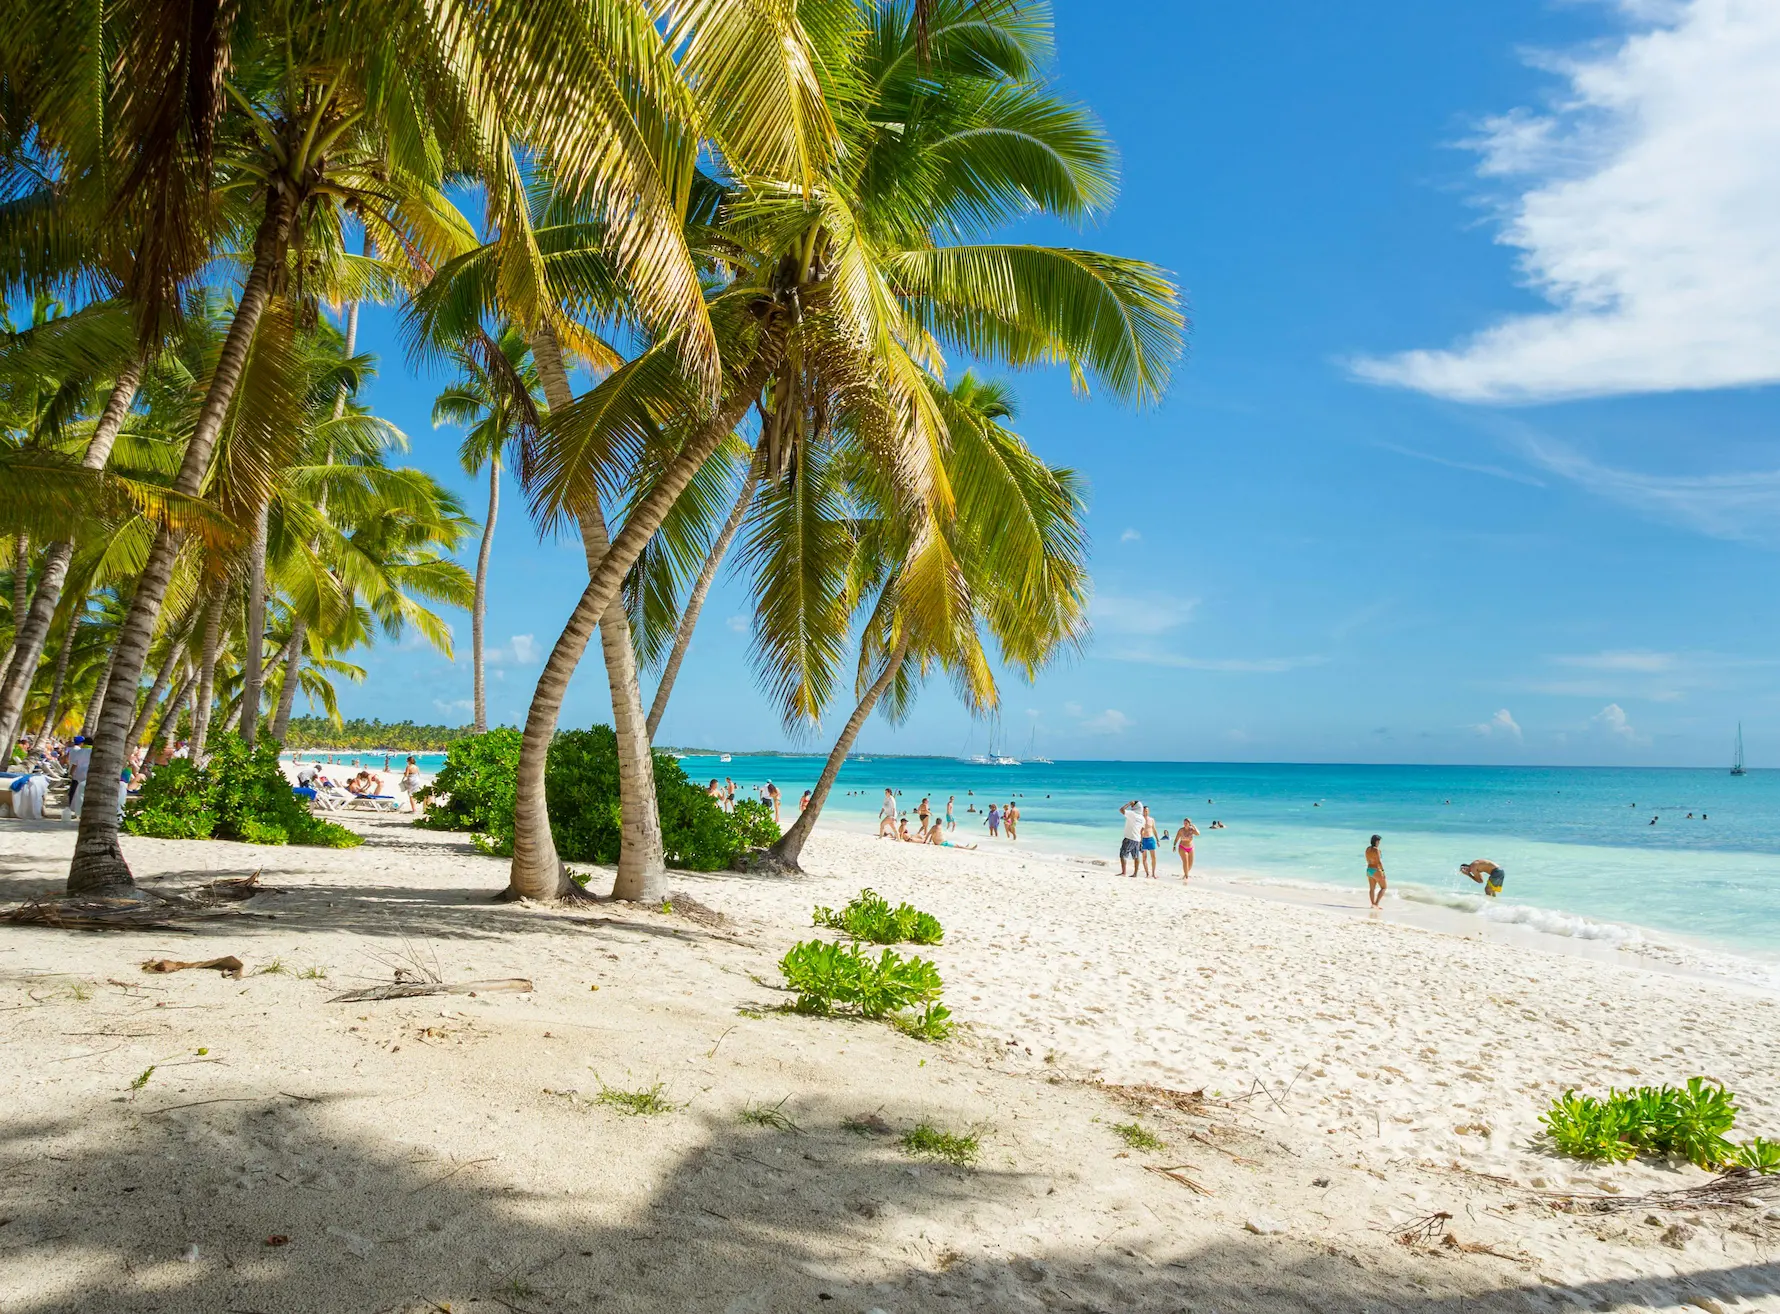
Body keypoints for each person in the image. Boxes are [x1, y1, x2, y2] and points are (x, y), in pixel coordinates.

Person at [66, 735, 92, 821]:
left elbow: (74, 764)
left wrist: (71, 773)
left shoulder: (80, 751)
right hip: (89, 774)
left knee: (77, 793)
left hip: (79, 774)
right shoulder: (93, 752)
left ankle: (77, 811)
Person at [1118, 801, 1144, 876]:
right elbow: (1142, 830)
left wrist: (1129, 804)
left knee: (1123, 854)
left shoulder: (1132, 814)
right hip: (1137, 839)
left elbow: (1121, 810)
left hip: (1129, 837)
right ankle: (1135, 874)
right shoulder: (1142, 818)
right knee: (1136, 856)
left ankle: (1124, 872)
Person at [1176, 817, 1201, 882]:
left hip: (1190, 847)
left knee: (1190, 864)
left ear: (1189, 824)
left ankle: (1185, 874)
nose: (1185, 824)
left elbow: (1198, 834)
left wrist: (1194, 827)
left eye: (1186, 823)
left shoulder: (1192, 830)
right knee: (1185, 862)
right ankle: (1186, 877)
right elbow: (1177, 838)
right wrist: (1174, 845)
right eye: (1184, 823)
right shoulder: (1181, 830)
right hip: (1182, 847)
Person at [1365, 834, 1386, 908]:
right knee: (1384, 887)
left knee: (1372, 889)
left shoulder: (1368, 849)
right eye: (1379, 841)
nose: (1379, 843)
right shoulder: (1376, 850)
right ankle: (1376, 904)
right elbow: (1379, 862)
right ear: (1376, 841)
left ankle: (1373, 904)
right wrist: (1383, 871)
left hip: (1369, 870)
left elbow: (1368, 859)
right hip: (1376, 869)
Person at [1139, 805, 1159, 877]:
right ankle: (1147, 873)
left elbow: (1154, 829)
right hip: (1143, 840)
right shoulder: (1140, 820)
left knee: (1153, 857)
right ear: (1142, 812)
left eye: (1147, 811)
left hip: (1151, 839)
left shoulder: (1151, 819)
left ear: (1149, 811)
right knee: (1144, 858)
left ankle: (1153, 874)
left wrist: (1157, 840)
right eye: (1144, 811)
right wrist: (1139, 841)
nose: (1145, 812)